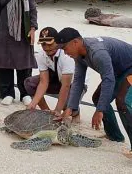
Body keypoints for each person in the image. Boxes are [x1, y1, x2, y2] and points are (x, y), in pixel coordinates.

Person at [54, 27, 132, 156]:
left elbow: (108, 79)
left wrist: (100, 110)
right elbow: (78, 80)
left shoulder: (97, 52)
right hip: (118, 71)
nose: (65, 52)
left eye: (65, 48)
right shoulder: (79, 55)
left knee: (122, 102)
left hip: (129, 68)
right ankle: (115, 136)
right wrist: (70, 107)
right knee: (97, 98)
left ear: (75, 42)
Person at [24, 27, 88, 122]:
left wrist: (58, 109)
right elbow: (43, 82)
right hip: (58, 79)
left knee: (66, 105)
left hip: (75, 84)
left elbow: (65, 86)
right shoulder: (42, 54)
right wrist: (33, 103)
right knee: (30, 83)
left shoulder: (66, 55)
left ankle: (75, 112)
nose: (46, 47)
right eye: (43, 44)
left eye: (49, 44)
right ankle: (47, 112)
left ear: (57, 42)